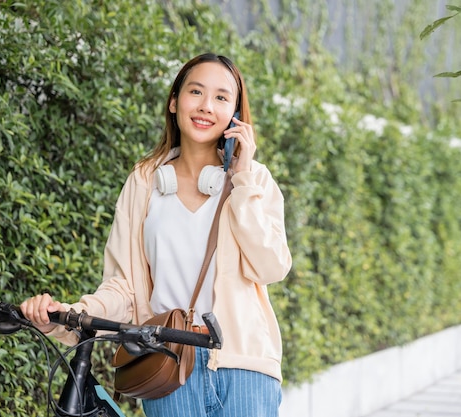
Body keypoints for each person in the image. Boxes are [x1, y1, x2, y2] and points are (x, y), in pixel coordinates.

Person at [20, 52, 293, 417]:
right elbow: (123, 288)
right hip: (167, 367)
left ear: (236, 116)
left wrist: (241, 179)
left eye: (222, 98)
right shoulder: (145, 181)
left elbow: (271, 266)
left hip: (246, 370)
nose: (206, 106)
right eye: (196, 92)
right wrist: (68, 315)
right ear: (174, 101)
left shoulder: (254, 180)